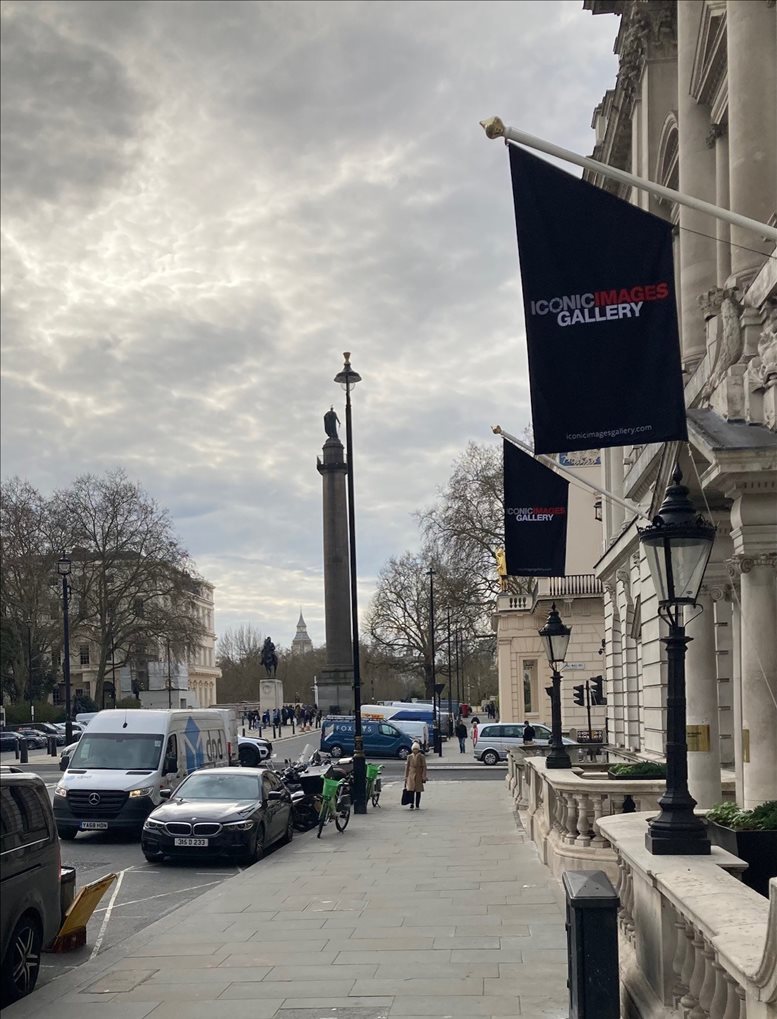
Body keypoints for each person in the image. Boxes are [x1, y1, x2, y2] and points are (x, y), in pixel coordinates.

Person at [404, 741, 427, 809]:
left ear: (418, 749)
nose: (415, 750)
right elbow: (407, 767)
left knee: (418, 791)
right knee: (411, 790)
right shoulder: (409, 756)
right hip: (411, 775)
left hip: (418, 775)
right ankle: (411, 803)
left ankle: (417, 804)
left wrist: (423, 775)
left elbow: (424, 766)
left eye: (416, 749)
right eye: (414, 749)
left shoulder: (421, 756)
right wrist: (406, 776)